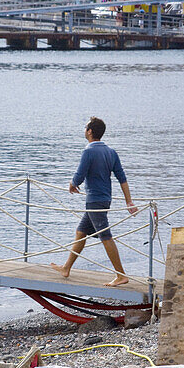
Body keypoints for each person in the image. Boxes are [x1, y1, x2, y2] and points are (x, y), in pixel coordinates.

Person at [51, 117, 138, 287]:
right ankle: (66, 268)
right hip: (105, 199)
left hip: (95, 201)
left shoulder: (88, 151)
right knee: (81, 232)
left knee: (106, 236)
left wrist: (72, 184)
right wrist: (129, 201)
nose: (84, 130)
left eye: (86, 128)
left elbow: (79, 175)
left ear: (90, 132)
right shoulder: (111, 152)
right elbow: (122, 178)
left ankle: (121, 275)